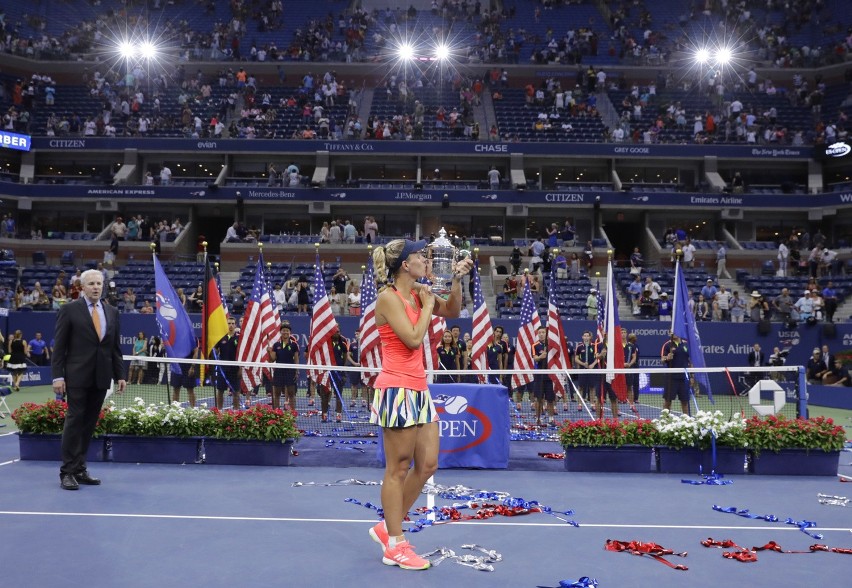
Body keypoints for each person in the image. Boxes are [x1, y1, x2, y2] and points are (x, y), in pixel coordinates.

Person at [367, 238, 472, 571]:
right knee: (397, 469)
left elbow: (454, 311)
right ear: (404, 265)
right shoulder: (388, 298)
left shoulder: (417, 294)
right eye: (420, 256)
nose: (427, 260)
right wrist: (428, 305)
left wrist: (457, 280)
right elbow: (413, 338)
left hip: (418, 390)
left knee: (427, 465)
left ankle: (387, 526)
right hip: (396, 389)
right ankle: (395, 544)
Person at [51, 269, 126, 490]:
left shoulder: (112, 312)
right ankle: (67, 472)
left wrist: (120, 374)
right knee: (75, 422)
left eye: (99, 283)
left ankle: (80, 468)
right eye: (91, 283)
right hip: (76, 376)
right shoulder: (69, 310)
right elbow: (60, 347)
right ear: (82, 287)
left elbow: (114, 348)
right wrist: (58, 376)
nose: (96, 287)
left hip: (101, 377)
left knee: (88, 424)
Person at [270, 322, 299, 411]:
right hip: (278, 371)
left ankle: (293, 413)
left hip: (290, 371)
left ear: (290, 332)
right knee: (277, 394)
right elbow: (273, 359)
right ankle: (276, 413)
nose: (285, 332)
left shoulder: (294, 345)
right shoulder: (276, 345)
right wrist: (269, 351)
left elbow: (296, 359)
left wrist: (296, 371)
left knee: (291, 393)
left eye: (287, 331)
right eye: (283, 331)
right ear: (280, 332)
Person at [213, 317, 240, 410]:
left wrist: (240, 368)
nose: (231, 325)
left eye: (233, 323)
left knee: (235, 392)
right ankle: (219, 411)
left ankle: (236, 412)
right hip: (222, 369)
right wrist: (212, 347)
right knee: (220, 391)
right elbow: (216, 351)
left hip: (235, 369)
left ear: (235, 325)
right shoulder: (221, 338)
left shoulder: (239, 338)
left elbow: (241, 354)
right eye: (229, 323)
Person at [660, 333, 690, 413]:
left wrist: (692, 375)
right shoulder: (667, 345)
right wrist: (667, 358)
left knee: (685, 401)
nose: (673, 333)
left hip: (683, 377)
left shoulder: (686, 344)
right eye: (671, 332)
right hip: (671, 378)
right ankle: (665, 421)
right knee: (668, 401)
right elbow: (662, 360)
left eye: (675, 331)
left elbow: (690, 361)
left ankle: (686, 421)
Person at [533, 326, 557, 426]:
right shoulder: (535, 345)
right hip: (539, 376)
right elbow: (535, 358)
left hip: (550, 375)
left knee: (550, 399)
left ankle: (551, 419)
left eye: (543, 332)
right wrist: (540, 357)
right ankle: (538, 419)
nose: (541, 334)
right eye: (540, 332)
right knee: (539, 399)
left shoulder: (551, 345)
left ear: (546, 334)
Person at [574, 330, 598, 412]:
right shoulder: (579, 347)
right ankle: (580, 404)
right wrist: (583, 364)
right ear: (582, 337)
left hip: (592, 370)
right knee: (580, 387)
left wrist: (592, 365)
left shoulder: (594, 346)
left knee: (592, 387)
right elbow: (576, 358)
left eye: (588, 336)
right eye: (585, 336)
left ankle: (592, 404)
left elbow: (597, 358)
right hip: (582, 370)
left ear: (590, 337)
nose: (586, 337)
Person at [172, 340, 200, 407]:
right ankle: (174, 410)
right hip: (177, 366)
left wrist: (192, 367)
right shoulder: (176, 337)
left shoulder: (192, 338)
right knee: (176, 389)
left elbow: (196, 352)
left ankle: (193, 410)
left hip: (188, 366)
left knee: (190, 389)